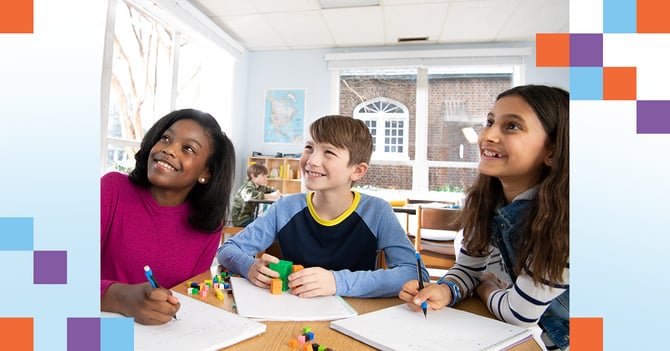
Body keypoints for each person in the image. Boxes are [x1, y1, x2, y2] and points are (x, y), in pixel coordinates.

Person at [399, 85, 570, 350]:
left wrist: (484, 289)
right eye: (490, 122)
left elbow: (519, 314)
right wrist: (445, 290)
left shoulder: (565, 221)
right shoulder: (487, 202)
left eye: (512, 126)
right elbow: (469, 268)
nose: (487, 135)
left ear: (552, 151)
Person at [218, 115, 428, 298]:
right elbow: (228, 249)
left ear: (357, 170)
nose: (312, 160)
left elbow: (414, 274)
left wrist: (336, 282)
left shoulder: (377, 212)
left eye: (328, 152)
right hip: (293, 312)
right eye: (309, 148)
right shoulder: (285, 208)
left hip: (354, 317)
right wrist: (250, 266)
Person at [101, 108, 235, 325]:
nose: (169, 149)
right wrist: (122, 298)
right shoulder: (112, 189)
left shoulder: (207, 225)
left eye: (188, 148)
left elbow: (188, 299)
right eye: (165, 138)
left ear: (205, 173)